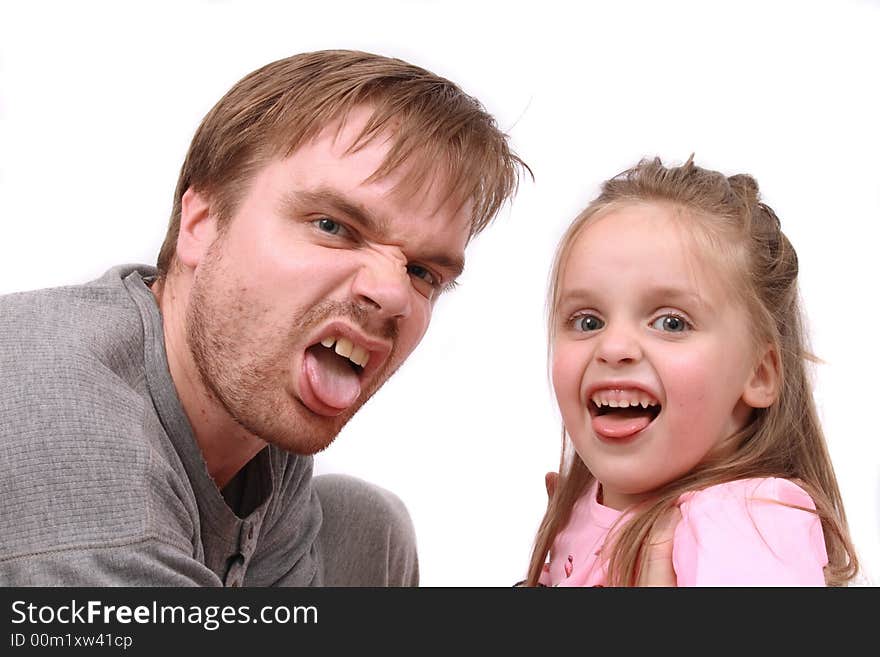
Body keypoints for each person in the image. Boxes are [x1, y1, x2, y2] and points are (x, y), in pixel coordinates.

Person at [0, 50, 528, 586]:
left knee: (363, 523)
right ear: (202, 222)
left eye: (421, 271)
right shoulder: (80, 451)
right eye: (333, 225)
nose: (392, 293)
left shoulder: (258, 419)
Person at [523, 156, 859, 587]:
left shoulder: (743, 523)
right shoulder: (586, 504)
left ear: (758, 374)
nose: (614, 347)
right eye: (588, 321)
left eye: (672, 322)